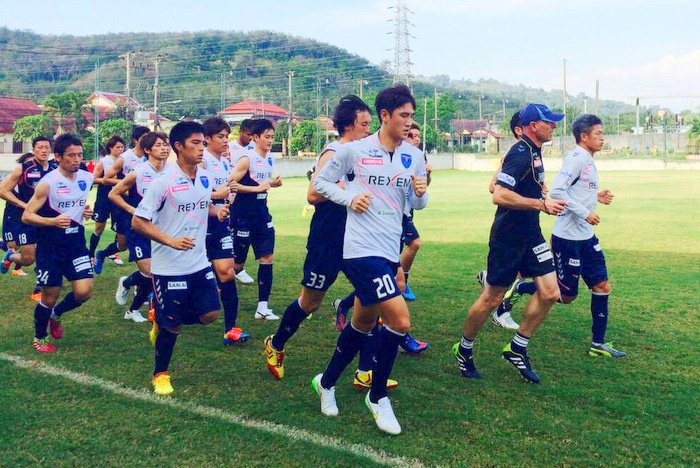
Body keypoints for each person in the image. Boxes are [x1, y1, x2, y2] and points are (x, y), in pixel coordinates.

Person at [311, 85, 429, 435]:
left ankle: (327, 382)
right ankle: (377, 397)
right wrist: (349, 197)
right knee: (400, 319)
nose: (409, 123)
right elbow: (319, 183)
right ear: (384, 116)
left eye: (412, 116)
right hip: (360, 250)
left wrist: (420, 193)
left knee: (361, 324)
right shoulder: (355, 150)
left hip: (389, 249)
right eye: (404, 115)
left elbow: (415, 204)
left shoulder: (413, 155)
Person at [265, 95, 399, 391]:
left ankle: (365, 370)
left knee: (373, 300)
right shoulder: (335, 151)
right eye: (364, 124)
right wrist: (345, 189)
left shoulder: (366, 153)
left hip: (359, 242)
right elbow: (313, 195)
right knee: (311, 302)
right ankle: (275, 342)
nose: (368, 129)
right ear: (350, 125)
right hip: (328, 239)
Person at [452, 103, 567, 384]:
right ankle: (463, 349)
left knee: (551, 293)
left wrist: (542, 194)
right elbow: (499, 194)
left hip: (531, 235)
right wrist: (540, 203)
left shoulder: (535, 152)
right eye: (548, 122)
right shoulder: (520, 152)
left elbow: (522, 187)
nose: (554, 126)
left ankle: (518, 347)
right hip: (508, 238)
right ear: (531, 126)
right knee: (492, 298)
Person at [500, 114, 626, 358]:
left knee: (602, 285)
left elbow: (575, 189)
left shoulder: (587, 159)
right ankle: (522, 288)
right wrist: (585, 212)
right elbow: (557, 191)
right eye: (598, 134)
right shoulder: (576, 158)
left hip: (586, 237)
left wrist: (595, 196)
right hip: (568, 237)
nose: (602, 138)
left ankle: (598, 345)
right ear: (584, 136)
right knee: (565, 296)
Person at [132, 121, 229, 396]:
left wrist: (214, 211)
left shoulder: (205, 177)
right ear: (178, 146)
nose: (202, 148)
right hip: (168, 268)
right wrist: (171, 241)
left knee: (210, 314)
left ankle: (160, 316)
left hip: (199, 263)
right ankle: (160, 373)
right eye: (196, 143)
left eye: (203, 143)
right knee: (173, 324)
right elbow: (139, 222)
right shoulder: (162, 182)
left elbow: (200, 200)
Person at [21, 134, 94, 353]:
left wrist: (85, 211)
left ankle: (57, 314)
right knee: (49, 296)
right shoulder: (47, 183)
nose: (77, 160)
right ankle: (40, 336)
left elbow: (77, 203)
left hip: (76, 243)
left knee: (84, 292)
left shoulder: (86, 177)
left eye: (80, 155)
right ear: (58, 157)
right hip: (50, 247)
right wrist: (51, 221)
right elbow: (27, 215)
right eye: (71, 155)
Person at [109, 132, 171, 323]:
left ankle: (129, 292)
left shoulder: (173, 171)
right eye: (159, 145)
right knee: (150, 271)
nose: (165, 148)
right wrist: (132, 210)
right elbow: (114, 193)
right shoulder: (138, 171)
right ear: (147, 150)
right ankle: (136, 306)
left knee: (155, 272)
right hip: (138, 228)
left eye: (166, 144)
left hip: (161, 228)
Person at [476, 111, 526, 330]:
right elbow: (492, 189)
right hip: (511, 226)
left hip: (526, 226)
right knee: (525, 275)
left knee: (528, 271)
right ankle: (501, 310)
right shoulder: (516, 154)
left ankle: (492, 281)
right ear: (520, 129)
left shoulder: (531, 154)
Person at [229, 118, 283, 320]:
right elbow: (231, 184)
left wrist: (271, 184)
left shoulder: (270, 158)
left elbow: (262, 184)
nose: (270, 140)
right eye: (267, 137)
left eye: (272, 137)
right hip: (242, 216)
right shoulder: (246, 158)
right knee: (236, 265)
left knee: (267, 257)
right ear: (255, 137)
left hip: (262, 214)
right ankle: (214, 284)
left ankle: (262, 307)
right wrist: (257, 188)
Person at [201, 116, 248, 345]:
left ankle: (231, 329)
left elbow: (226, 190)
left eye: (226, 136)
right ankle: (157, 305)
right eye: (220, 137)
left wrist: (230, 194)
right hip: (197, 226)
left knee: (227, 272)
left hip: (220, 224)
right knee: (190, 277)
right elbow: (194, 193)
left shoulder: (225, 163)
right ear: (207, 139)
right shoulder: (202, 162)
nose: (225, 141)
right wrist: (216, 196)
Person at [0, 137, 56, 299]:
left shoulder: (54, 169)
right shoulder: (23, 168)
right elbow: (3, 191)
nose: (44, 150)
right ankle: (10, 256)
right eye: (40, 147)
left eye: (47, 147)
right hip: (28, 220)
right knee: (28, 259)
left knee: (46, 253)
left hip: (47, 219)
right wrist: (22, 204)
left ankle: (39, 289)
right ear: (34, 149)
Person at [95, 125, 150, 273]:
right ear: (135, 140)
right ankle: (102, 253)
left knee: (147, 241)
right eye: (144, 138)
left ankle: (144, 280)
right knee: (123, 244)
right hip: (125, 205)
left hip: (145, 205)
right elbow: (106, 179)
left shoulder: (150, 157)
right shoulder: (124, 158)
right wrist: (128, 183)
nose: (147, 141)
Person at [227, 118, 256, 285]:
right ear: (241, 132)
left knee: (245, 235)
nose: (251, 138)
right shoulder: (230, 147)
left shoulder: (254, 149)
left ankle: (238, 267)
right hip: (229, 195)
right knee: (234, 233)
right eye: (248, 134)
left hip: (247, 197)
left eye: (253, 135)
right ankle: (232, 267)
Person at [89, 135, 126, 264]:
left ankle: (112, 253)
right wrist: (111, 180)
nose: (120, 149)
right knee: (99, 228)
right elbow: (93, 178)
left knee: (119, 228)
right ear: (110, 148)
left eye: (122, 147)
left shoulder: (125, 161)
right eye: (117, 147)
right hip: (104, 198)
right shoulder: (104, 162)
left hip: (118, 199)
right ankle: (91, 255)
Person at [1, 152, 34, 277]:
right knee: (12, 245)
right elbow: (3, 191)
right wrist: (19, 203)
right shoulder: (15, 176)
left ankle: (17, 268)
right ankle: (5, 250)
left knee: (25, 244)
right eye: (29, 162)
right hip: (12, 213)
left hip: (25, 214)